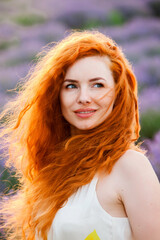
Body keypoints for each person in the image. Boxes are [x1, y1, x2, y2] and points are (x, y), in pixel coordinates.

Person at [0, 30, 160, 240]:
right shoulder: (52, 168)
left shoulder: (130, 166)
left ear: (117, 93)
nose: (84, 97)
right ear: (55, 95)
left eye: (97, 85)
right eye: (71, 86)